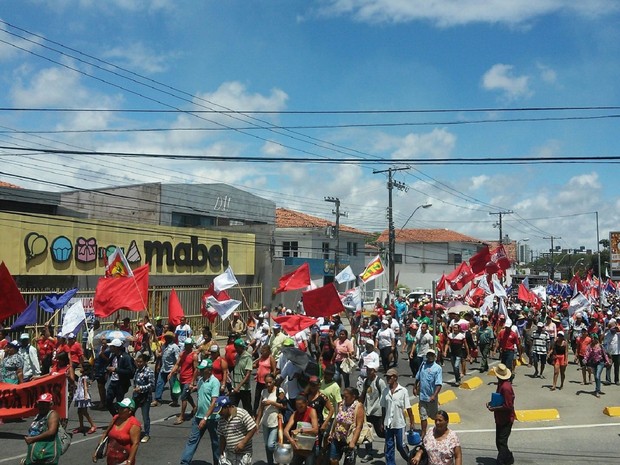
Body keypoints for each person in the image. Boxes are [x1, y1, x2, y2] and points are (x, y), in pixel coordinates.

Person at [180, 359, 221, 465]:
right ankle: (184, 462)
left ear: (209, 370)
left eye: (203, 370)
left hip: (211, 418)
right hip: (198, 416)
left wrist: (205, 418)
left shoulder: (214, 382)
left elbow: (214, 402)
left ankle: (218, 462)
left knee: (215, 442)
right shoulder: (201, 380)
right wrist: (193, 388)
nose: (201, 371)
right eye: (200, 369)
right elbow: (200, 392)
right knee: (192, 440)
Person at [380, 369, 415, 465]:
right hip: (388, 423)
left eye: (390, 377)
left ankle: (411, 460)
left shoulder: (403, 391)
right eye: (387, 377)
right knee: (389, 446)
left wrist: (412, 422)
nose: (388, 379)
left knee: (401, 446)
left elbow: (408, 408)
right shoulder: (385, 391)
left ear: (395, 377)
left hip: (399, 423)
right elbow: (383, 407)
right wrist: (382, 422)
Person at [94, 398, 141, 465]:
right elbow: (105, 433)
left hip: (124, 460)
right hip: (111, 459)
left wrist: (129, 461)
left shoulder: (134, 424)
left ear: (129, 411)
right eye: (119, 407)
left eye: (123, 408)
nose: (119, 410)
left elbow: (135, 444)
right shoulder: (116, 418)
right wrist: (97, 451)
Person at [486, 363, 515, 465]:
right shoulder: (501, 384)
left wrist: (494, 408)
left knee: (501, 442)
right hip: (500, 418)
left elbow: (508, 406)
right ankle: (507, 457)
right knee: (499, 441)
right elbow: (500, 400)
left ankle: (503, 459)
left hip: (506, 419)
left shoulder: (505, 387)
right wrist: (492, 404)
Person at [215, 395, 257, 465]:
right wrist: (221, 452)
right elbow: (222, 436)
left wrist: (243, 443)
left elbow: (253, 428)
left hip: (244, 453)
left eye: (221, 411)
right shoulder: (221, 420)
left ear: (227, 407)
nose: (219, 413)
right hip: (229, 453)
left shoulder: (241, 413)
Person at [328, 387, 365, 465]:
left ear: (353, 396)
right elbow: (336, 419)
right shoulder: (342, 404)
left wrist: (353, 442)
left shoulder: (358, 406)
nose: (344, 398)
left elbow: (359, 426)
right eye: (343, 396)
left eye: (346, 396)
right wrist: (331, 433)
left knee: (348, 463)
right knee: (333, 459)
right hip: (337, 437)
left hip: (349, 438)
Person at [256, 373, 287, 465]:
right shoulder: (264, 392)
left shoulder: (279, 391)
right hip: (265, 421)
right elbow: (261, 408)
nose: (268, 385)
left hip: (275, 421)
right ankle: (270, 462)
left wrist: (272, 403)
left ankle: (281, 454)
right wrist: (257, 423)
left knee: (271, 445)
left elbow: (284, 406)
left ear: (274, 381)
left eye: (270, 382)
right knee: (266, 445)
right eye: (266, 383)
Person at [359, 361, 386, 462]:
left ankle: (390, 440)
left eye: (370, 370)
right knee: (367, 433)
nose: (368, 371)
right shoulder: (366, 381)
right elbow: (363, 395)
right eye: (367, 369)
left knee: (380, 433)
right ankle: (369, 453)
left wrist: (384, 417)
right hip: (368, 412)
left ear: (375, 371)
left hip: (377, 412)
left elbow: (385, 399)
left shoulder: (380, 382)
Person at [24, 393, 61, 465]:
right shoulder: (39, 415)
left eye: (44, 404)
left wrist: (33, 439)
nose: (41, 406)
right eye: (40, 403)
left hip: (46, 450)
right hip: (37, 450)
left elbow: (51, 432)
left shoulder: (52, 414)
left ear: (50, 405)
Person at [414, 349, 443, 440]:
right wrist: (415, 387)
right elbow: (418, 377)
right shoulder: (423, 365)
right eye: (428, 355)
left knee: (435, 416)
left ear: (435, 356)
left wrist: (434, 395)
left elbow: (438, 384)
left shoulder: (437, 368)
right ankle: (423, 433)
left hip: (431, 398)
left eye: (432, 355)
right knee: (423, 416)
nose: (430, 357)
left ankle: (438, 430)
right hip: (422, 396)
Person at [169, 338, 198, 424]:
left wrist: (193, 382)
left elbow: (196, 369)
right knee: (187, 395)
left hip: (189, 379)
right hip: (182, 378)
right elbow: (177, 364)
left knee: (183, 397)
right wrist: (171, 373)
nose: (187, 347)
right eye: (186, 345)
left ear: (191, 345)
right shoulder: (182, 354)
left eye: (188, 345)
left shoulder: (194, 355)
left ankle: (181, 416)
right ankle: (194, 407)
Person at [284, 395, 319, 465]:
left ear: (306, 403)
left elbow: (316, 430)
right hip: (299, 446)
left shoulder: (312, 411)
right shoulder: (295, 414)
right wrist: (291, 440)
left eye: (301, 406)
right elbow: (285, 431)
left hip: (310, 447)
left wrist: (301, 430)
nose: (299, 409)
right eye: (297, 406)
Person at [105, 339, 135, 415]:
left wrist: (116, 370)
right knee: (108, 401)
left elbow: (130, 371)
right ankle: (115, 417)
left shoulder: (126, 357)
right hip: (113, 382)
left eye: (112, 347)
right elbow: (108, 365)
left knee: (119, 403)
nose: (110, 348)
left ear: (116, 347)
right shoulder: (113, 356)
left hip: (121, 383)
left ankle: (123, 417)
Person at [152, 331, 181, 407]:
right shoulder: (163, 346)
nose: (166, 338)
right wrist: (158, 365)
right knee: (159, 384)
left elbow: (178, 360)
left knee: (173, 386)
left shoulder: (175, 347)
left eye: (168, 337)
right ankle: (157, 399)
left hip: (171, 369)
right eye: (165, 337)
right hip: (163, 368)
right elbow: (162, 356)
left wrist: (176, 370)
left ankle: (175, 400)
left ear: (171, 338)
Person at [132, 352, 155, 443]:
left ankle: (146, 434)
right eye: (137, 362)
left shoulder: (149, 371)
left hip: (145, 397)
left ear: (145, 362)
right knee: (131, 413)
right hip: (136, 396)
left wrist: (141, 388)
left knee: (145, 416)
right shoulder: (137, 370)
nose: (139, 363)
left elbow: (152, 385)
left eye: (141, 362)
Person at [584, 333, 610, 398]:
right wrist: (585, 360)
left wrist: (607, 361)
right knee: (596, 376)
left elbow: (604, 354)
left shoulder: (600, 346)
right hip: (593, 363)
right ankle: (598, 388)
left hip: (600, 363)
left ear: (596, 339)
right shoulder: (589, 346)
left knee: (597, 375)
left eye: (593, 338)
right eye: (591, 338)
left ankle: (597, 391)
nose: (592, 340)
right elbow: (587, 354)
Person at [73, 369, 98, 434]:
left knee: (84, 412)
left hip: (83, 396)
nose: (80, 369)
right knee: (79, 411)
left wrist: (85, 395)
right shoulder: (81, 377)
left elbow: (85, 387)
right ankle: (81, 426)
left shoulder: (85, 378)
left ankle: (93, 425)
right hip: (79, 396)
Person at [231, 338, 253, 412]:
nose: (236, 349)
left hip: (244, 388)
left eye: (237, 347)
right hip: (235, 387)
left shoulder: (248, 357)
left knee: (247, 409)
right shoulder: (237, 356)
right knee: (233, 407)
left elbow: (247, 375)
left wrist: (239, 386)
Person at [253, 345, 276, 415]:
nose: (262, 351)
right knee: (257, 398)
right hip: (259, 381)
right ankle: (254, 413)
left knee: (265, 398)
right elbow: (256, 365)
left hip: (266, 383)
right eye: (262, 350)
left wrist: (270, 379)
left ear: (268, 351)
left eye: (264, 350)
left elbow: (274, 370)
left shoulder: (271, 358)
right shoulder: (261, 358)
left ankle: (264, 413)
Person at [603, 318, 619, 385]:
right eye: (612, 328)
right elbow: (605, 343)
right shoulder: (607, 334)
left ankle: (616, 380)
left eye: (614, 328)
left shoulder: (618, 334)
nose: (613, 329)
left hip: (617, 353)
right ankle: (608, 380)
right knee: (608, 366)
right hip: (609, 353)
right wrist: (606, 353)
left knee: (617, 367)